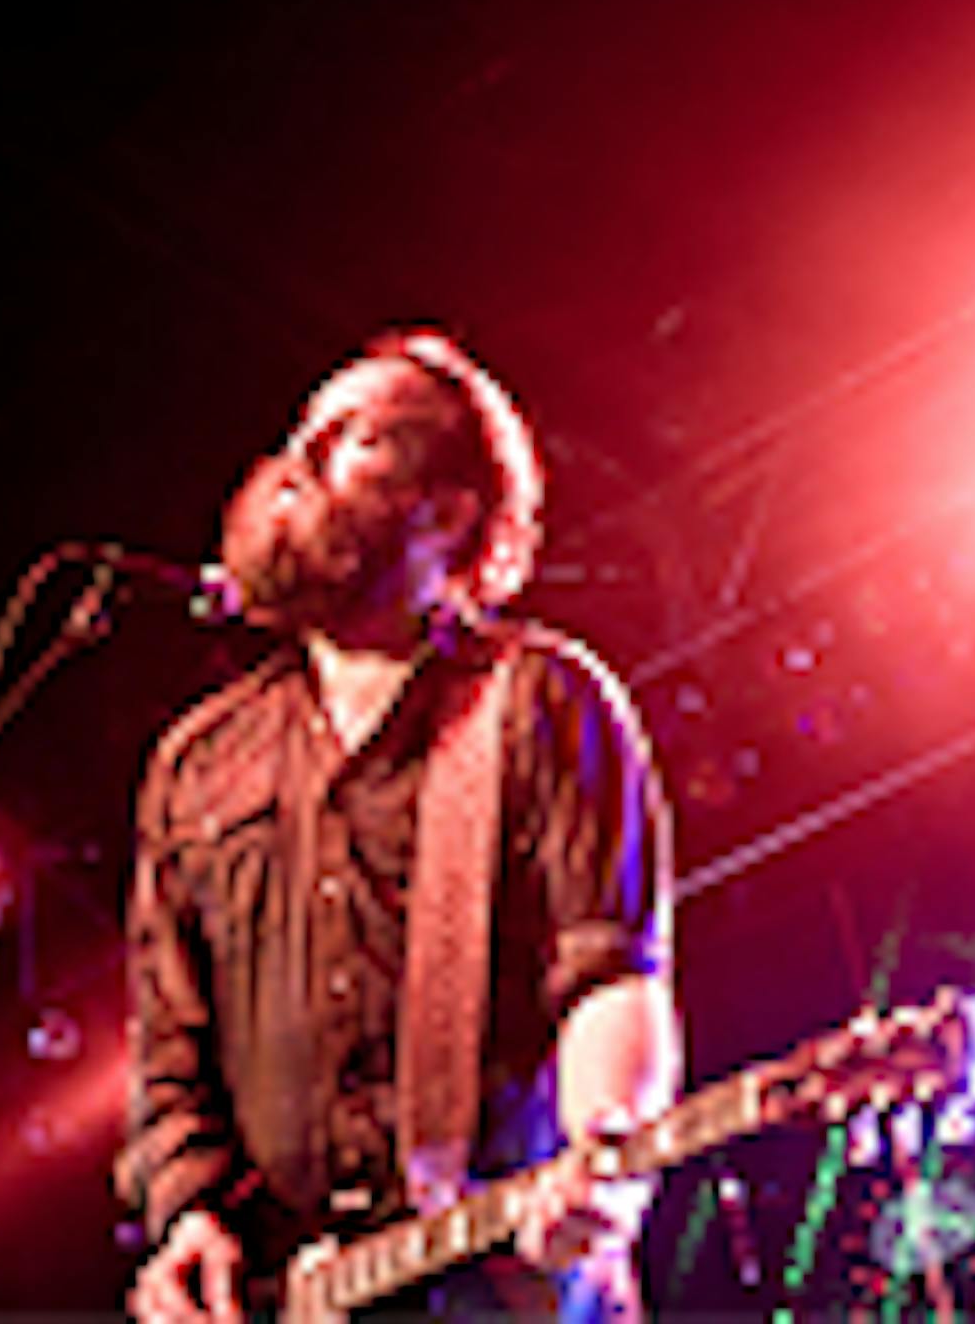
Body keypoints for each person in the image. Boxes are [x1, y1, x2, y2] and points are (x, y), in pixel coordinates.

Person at [116, 331, 679, 1321]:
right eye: (303, 428)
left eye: (354, 435)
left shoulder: (538, 700)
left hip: (499, 1278)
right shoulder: (200, 761)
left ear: (449, 509)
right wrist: (186, 1218)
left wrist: (607, 1157)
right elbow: (171, 1042)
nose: (302, 456)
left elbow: (611, 973)